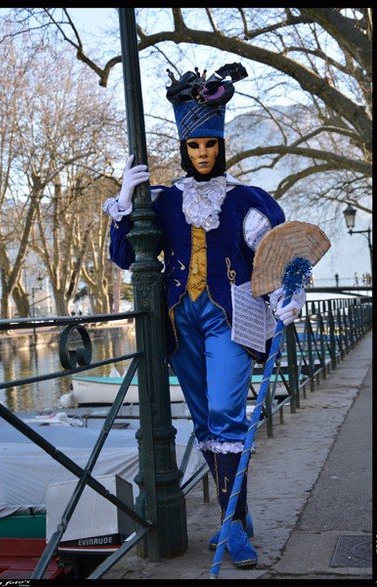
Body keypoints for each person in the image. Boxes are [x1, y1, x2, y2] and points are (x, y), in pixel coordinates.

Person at [103, 63, 306, 568]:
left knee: (224, 413)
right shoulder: (165, 200)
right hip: (179, 325)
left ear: (221, 146)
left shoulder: (245, 200)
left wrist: (292, 291)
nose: (203, 154)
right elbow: (127, 257)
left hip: (231, 320)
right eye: (194, 147)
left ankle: (232, 526)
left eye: (210, 146)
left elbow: (279, 255)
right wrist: (125, 204)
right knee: (203, 422)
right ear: (183, 149)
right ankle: (236, 510)